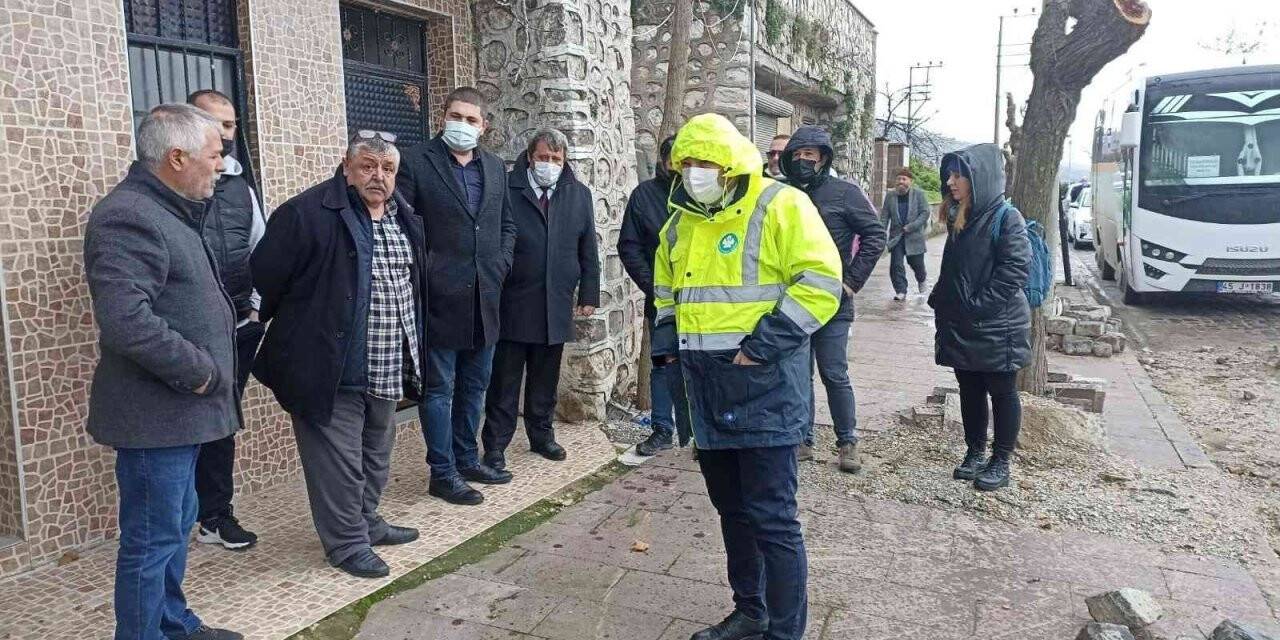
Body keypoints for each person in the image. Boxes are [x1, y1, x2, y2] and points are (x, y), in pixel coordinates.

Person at [653, 114, 842, 640]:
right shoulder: (679, 223)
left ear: (731, 164)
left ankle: (784, 631)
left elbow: (821, 282)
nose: (695, 172)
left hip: (763, 385)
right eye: (687, 163)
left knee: (773, 519)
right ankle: (750, 610)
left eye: (705, 162)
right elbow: (666, 292)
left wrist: (761, 347)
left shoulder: (781, 204)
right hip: (705, 389)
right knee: (732, 511)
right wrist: (667, 349)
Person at [84, 103, 242, 640]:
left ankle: (173, 624)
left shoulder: (170, 210)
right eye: (214, 155)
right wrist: (201, 372)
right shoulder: (129, 215)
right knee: (151, 541)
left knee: (174, 526)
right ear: (177, 158)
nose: (221, 165)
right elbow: (126, 321)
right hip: (157, 417)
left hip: (182, 416)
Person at [251, 132, 423, 578]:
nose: (378, 176)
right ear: (347, 167)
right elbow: (267, 277)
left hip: (388, 364)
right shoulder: (306, 214)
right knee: (338, 463)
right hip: (329, 365)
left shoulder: (403, 214)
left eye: (387, 169)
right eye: (368, 166)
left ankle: (366, 522)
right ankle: (346, 544)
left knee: (376, 453)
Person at [397, 87, 518, 506]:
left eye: (470, 119)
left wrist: (501, 263)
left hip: (485, 296)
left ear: (484, 126)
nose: (462, 125)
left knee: (475, 384)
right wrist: (428, 270)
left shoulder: (495, 167)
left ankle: (467, 459)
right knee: (439, 389)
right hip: (438, 297)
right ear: (442, 116)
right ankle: (442, 471)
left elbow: (506, 224)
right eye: (455, 116)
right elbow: (404, 224)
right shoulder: (416, 161)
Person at [480, 129, 600, 471]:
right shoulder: (507, 188)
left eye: (556, 159)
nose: (549, 164)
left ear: (565, 161)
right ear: (530, 157)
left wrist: (589, 292)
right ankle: (495, 445)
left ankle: (541, 435)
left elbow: (588, 247)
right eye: (543, 157)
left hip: (555, 303)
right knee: (505, 381)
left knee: (545, 380)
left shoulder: (579, 194)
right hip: (513, 302)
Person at [186, 89, 266, 551]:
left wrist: (255, 309)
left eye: (230, 125)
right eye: (212, 123)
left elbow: (261, 250)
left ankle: (215, 515)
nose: (223, 133)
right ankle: (183, 514)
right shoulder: (171, 188)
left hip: (239, 327)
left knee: (222, 421)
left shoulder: (241, 189)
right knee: (186, 424)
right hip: (189, 334)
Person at [779, 127, 885, 472]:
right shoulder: (782, 194)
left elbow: (875, 235)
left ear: (823, 158)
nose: (802, 160)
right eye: (797, 155)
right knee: (798, 374)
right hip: (792, 301)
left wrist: (851, 282)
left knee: (834, 373)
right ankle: (802, 438)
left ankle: (847, 441)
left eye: (809, 154)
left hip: (833, 302)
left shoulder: (844, 193)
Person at [927, 143, 1032, 492]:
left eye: (958, 175)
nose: (950, 182)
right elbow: (955, 268)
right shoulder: (961, 215)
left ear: (979, 178)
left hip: (998, 325)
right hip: (963, 322)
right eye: (949, 175)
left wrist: (977, 306)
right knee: (969, 389)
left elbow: (1014, 271)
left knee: (1002, 392)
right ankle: (975, 451)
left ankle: (1001, 460)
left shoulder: (1007, 217)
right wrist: (941, 297)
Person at [619, 135, 692, 456]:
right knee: (663, 364)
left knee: (703, 365)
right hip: (662, 303)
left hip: (706, 302)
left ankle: (703, 434)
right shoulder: (644, 196)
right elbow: (630, 247)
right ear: (664, 161)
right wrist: (654, 287)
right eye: (675, 160)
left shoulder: (705, 194)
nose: (681, 167)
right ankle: (662, 428)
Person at [880, 167, 932, 301]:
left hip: (914, 236)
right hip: (897, 237)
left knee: (917, 264)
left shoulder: (918, 194)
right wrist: (881, 233)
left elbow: (925, 213)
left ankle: (921, 279)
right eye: (898, 179)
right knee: (896, 265)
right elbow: (884, 216)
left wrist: (912, 226)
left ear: (910, 181)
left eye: (904, 179)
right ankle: (901, 290)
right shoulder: (890, 196)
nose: (901, 182)